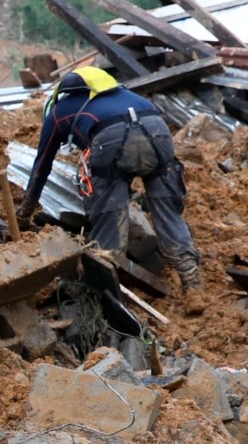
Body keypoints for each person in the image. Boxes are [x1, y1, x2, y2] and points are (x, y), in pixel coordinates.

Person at [18, 65, 201, 289]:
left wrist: (24, 212)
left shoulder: (57, 113)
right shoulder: (127, 95)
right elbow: (143, 133)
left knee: (108, 209)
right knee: (167, 209)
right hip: (157, 130)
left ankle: (108, 273)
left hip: (111, 138)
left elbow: (42, 166)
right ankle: (190, 277)